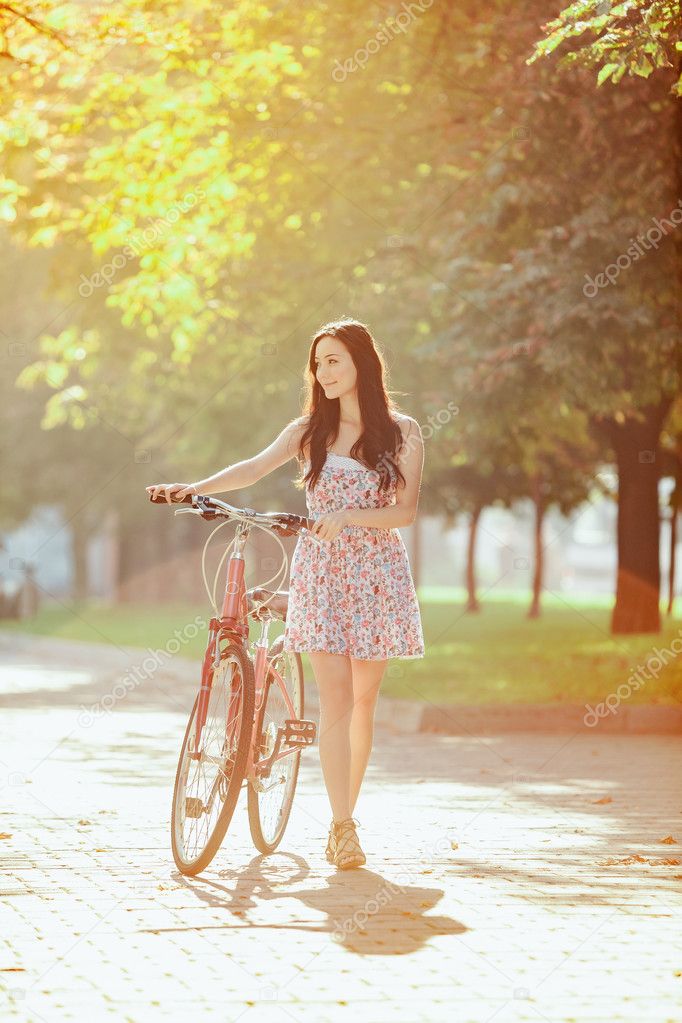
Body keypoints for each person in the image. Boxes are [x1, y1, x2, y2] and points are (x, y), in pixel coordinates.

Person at [146, 317, 425, 870]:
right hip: (320, 575)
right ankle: (342, 827)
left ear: (361, 363)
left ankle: (348, 812)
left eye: (334, 360)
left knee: (364, 705)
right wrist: (193, 487)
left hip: (377, 576)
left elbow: (407, 511)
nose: (323, 373)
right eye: (317, 363)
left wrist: (349, 516)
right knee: (337, 702)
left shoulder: (404, 431)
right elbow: (252, 467)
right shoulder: (309, 431)